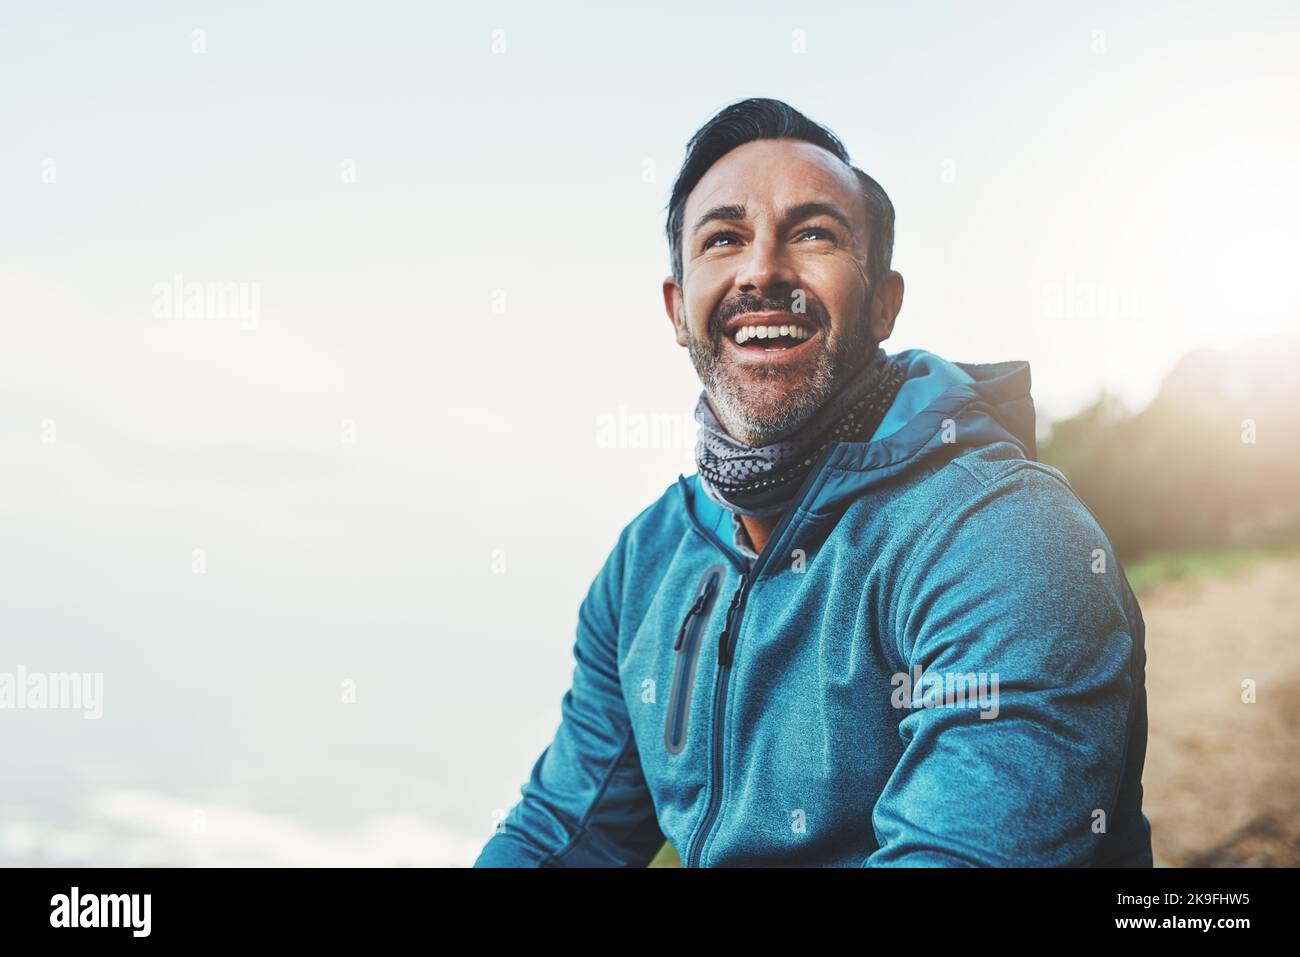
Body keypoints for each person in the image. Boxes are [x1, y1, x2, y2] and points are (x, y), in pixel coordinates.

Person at [473, 97, 1152, 867]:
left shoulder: (1005, 537)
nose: (763, 270)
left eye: (813, 233)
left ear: (884, 302)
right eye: (724, 238)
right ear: (676, 306)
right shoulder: (647, 561)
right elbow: (564, 833)